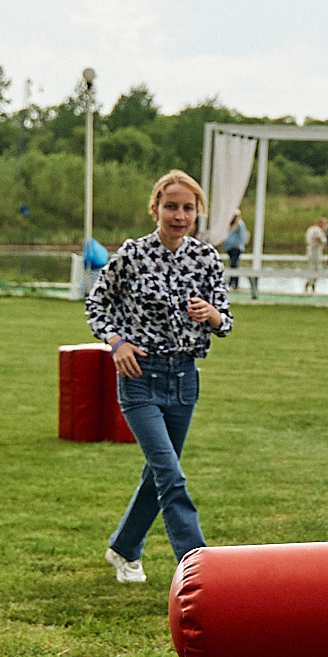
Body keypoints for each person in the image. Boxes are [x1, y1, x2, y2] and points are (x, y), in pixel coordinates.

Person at [86, 171, 232, 584]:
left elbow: (227, 320)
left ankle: (124, 548)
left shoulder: (206, 259)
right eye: (171, 207)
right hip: (139, 379)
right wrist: (116, 343)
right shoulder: (131, 255)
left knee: (157, 473)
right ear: (155, 209)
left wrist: (212, 315)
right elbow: (97, 304)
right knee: (170, 473)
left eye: (188, 208)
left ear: (197, 212)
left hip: (184, 379)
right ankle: (199, 567)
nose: (179, 215)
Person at [222, 210, 247, 281]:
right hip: (229, 248)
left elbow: (242, 235)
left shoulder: (240, 224)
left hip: (236, 248)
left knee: (234, 264)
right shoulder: (231, 225)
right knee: (231, 264)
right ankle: (231, 282)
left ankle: (234, 283)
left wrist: (237, 244)